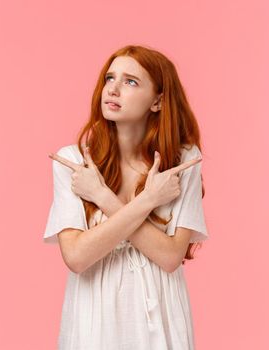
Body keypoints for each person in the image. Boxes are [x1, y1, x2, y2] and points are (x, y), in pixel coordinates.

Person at [43, 44, 209, 349]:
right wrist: (148, 201)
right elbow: (77, 257)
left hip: (160, 312)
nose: (113, 89)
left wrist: (102, 196)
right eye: (110, 78)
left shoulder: (182, 160)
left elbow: (171, 257)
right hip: (94, 313)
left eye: (130, 81)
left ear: (158, 100)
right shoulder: (74, 162)